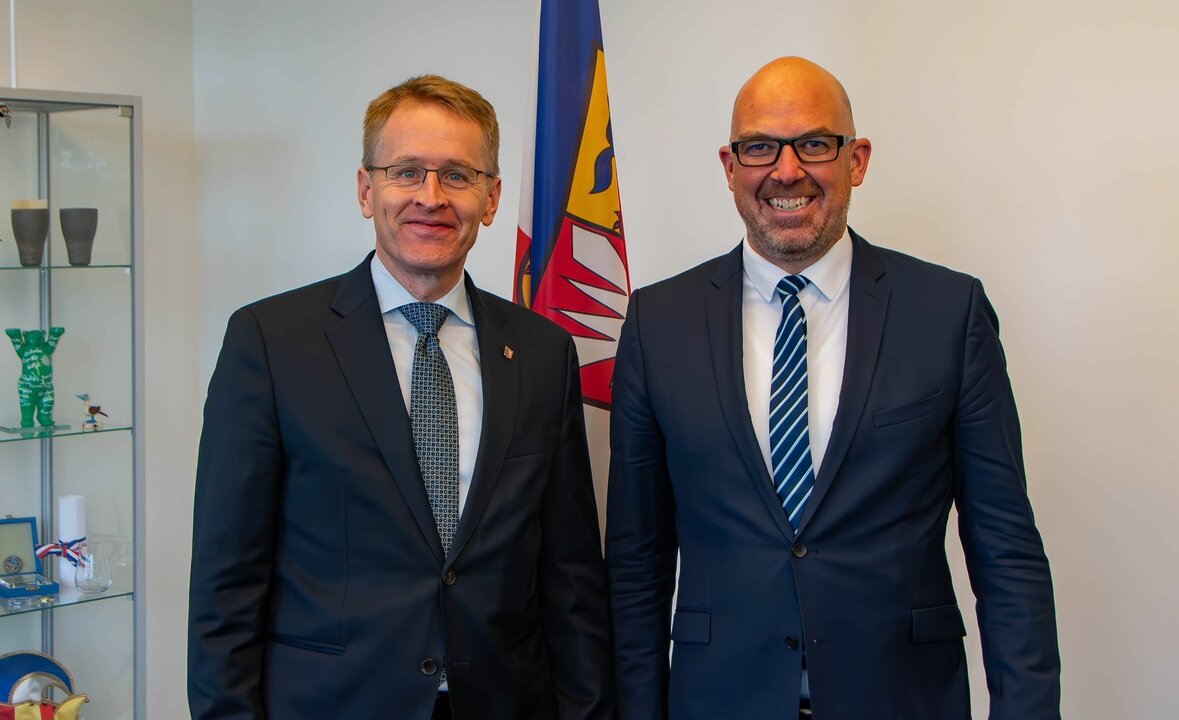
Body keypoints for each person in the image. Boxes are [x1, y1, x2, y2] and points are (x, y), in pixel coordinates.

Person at [607, 57, 1060, 719]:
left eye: (815, 144)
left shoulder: (947, 312)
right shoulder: (658, 323)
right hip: (719, 700)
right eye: (760, 147)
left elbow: (1005, 545)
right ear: (731, 167)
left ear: (858, 159)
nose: (786, 171)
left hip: (903, 698)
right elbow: (636, 562)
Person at [189, 74, 613, 720]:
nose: (431, 197)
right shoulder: (270, 344)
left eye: (459, 176)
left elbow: (570, 579)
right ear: (367, 189)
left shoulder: (542, 353)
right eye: (407, 172)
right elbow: (226, 589)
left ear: (493, 198)